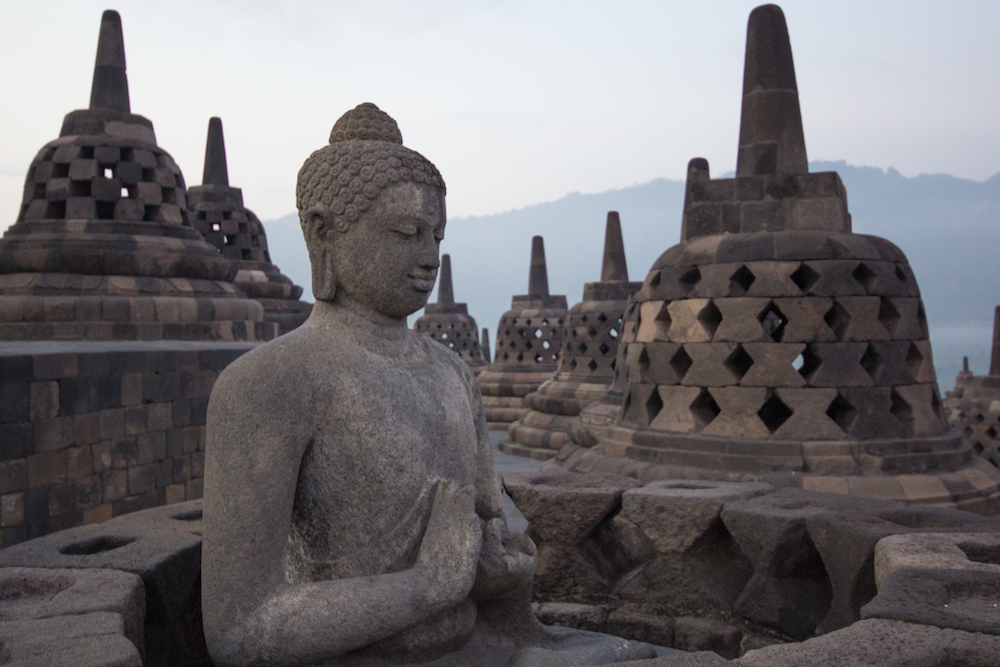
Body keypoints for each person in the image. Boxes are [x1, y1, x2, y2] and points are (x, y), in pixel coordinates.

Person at [202, 103, 668, 666]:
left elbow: (487, 548)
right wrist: (425, 586)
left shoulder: (452, 375)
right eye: (406, 233)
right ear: (323, 233)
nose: (429, 258)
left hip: (479, 646)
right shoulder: (269, 383)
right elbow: (240, 629)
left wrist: (497, 568)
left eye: (437, 235)